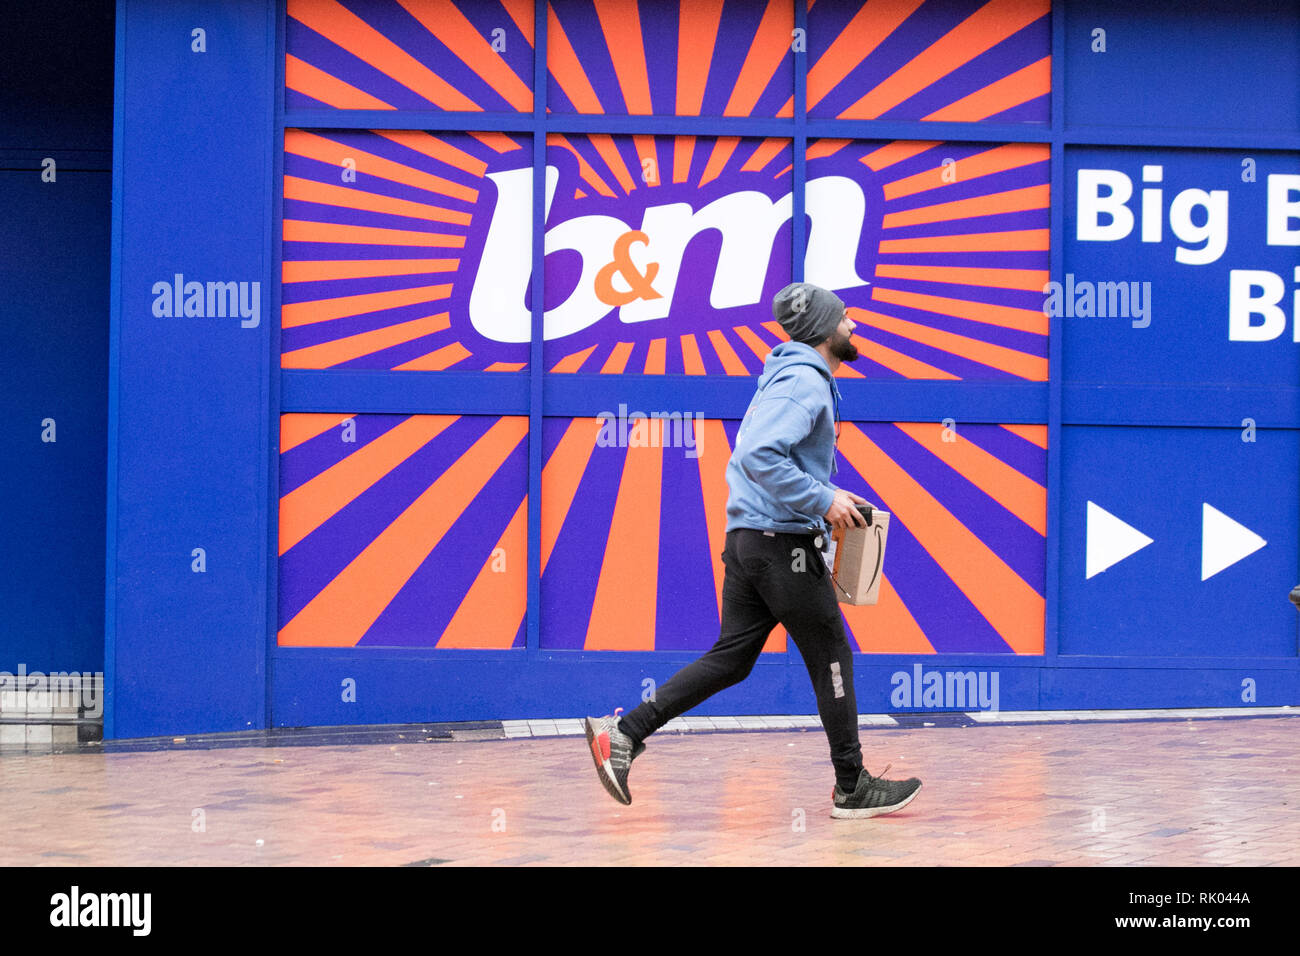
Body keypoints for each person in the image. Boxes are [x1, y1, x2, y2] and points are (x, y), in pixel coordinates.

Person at [584, 282, 922, 819]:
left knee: (732, 659)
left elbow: (771, 458)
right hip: (780, 546)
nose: (853, 324)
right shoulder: (805, 382)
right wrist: (820, 498)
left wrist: (832, 495)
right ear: (823, 330)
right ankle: (851, 784)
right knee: (831, 655)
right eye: (844, 318)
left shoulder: (785, 378)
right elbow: (757, 454)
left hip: (750, 542)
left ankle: (624, 736)